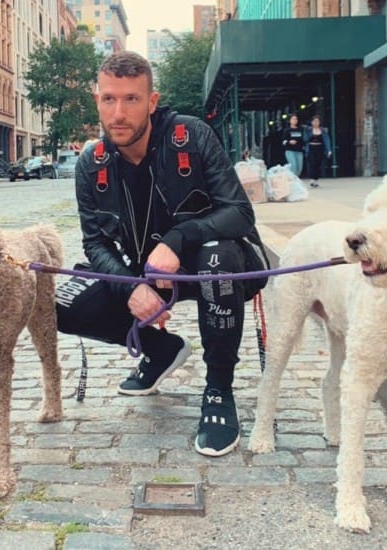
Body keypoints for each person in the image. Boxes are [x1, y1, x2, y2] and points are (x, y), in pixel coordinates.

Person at [55, 51, 269, 457]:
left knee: (216, 259)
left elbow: (240, 213)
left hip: (217, 259)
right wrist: (130, 289)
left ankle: (219, 389)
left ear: (152, 102)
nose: (119, 113)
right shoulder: (92, 162)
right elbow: (95, 243)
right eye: (109, 99)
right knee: (61, 304)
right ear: (97, 100)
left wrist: (178, 238)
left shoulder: (190, 137)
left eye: (132, 99)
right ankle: (161, 350)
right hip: (144, 270)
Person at [304, 115, 331, 188]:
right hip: (311, 148)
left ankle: (316, 180)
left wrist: (329, 150)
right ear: (312, 122)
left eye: (317, 121)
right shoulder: (308, 130)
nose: (316, 123)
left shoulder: (323, 130)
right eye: (314, 121)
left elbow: (326, 140)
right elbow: (305, 139)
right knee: (311, 164)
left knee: (318, 164)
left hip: (320, 148)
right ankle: (311, 180)